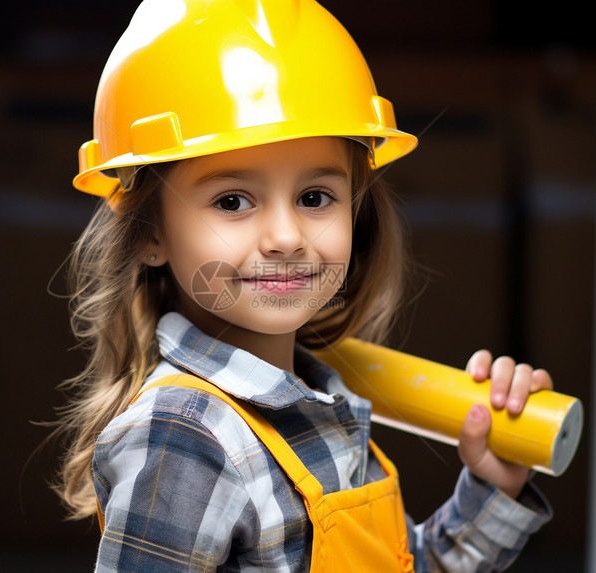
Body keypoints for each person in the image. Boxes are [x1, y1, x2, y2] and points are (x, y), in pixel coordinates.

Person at [54, 1, 553, 571]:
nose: (287, 237)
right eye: (233, 201)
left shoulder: (316, 402)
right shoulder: (186, 436)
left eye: (315, 197)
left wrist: (492, 487)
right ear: (149, 233)